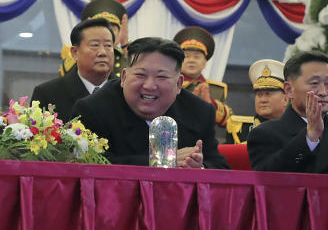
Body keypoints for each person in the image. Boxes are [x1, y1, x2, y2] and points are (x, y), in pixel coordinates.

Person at [70, 37, 229, 169]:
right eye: (140, 75)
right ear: (124, 77)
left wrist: (199, 167)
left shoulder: (199, 111)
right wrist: (163, 162)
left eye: (161, 77)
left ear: (179, 84)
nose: (149, 86)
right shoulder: (92, 109)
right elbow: (89, 164)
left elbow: (219, 166)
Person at [31, 18, 114, 120]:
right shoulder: (47, 94)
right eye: (95, 45)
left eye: (108, 45)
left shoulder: (126, 92)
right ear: (75, 52)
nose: (103, 52)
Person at [172, 25, 232, 130]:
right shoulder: (169, 84)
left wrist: (210, 105)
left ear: (205, 63)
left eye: (197, 57)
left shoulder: (216, 89)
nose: (192, 60)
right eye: (186, 56)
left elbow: (229, 121)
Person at [59, 0, 128, 79]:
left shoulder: (127, 52)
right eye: (102, 29)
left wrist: (125, 47)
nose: (108, 33)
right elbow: (67, 74)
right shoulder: (78, 52)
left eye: (112, 29)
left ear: (120, 32)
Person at [225, 58, 287, 144]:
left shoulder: (300, 130)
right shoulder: (240, 129)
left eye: (268, 94)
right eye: (259, 94)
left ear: (286, 99)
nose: (262, 100)